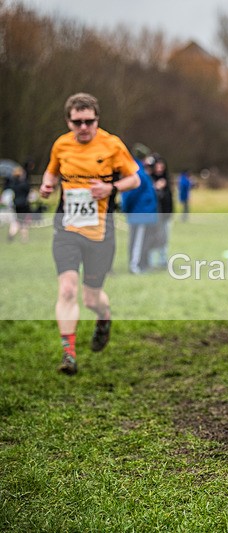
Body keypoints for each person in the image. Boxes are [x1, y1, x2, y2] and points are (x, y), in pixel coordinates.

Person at [39, 92, 141, 375]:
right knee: (68, 289)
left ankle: (104, 317)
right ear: (68, 122)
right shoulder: (61, 145)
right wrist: (47, 186)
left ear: (97, 120)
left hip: (100, 231)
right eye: (77, 122)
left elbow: (135, 178)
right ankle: (68, 353)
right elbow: (51, 173)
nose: (83, 127)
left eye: (88, 121)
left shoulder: (112, 145)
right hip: (67, 228)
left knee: (92, 298)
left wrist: (112, 188)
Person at [121, 155, 158, 274]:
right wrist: (125, 208)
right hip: (139, 214)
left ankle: (140, 264)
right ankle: (134, 266)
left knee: (141, 241)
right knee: (137, 241)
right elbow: (129, 195)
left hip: (144, 215)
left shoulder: (141, 173)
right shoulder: (137, 174)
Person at [150, 155, 174, 269]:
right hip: (155, 215)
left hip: (166, 214)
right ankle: (151, 261)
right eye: (157, 165)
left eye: (161, 165)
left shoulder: (166, 180)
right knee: (154, 238)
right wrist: (156, 188)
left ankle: (163, 260)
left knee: (164, 238)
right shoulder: (150, 179)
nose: (159, 168)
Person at [7, 166, 30, 243]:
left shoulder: (13, 184)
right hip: (24, 205)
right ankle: (24, 239)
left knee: (17, 221)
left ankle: (11, 233)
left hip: (16, 204)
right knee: (24, 222)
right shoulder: (24, 184)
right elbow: (28, 191)